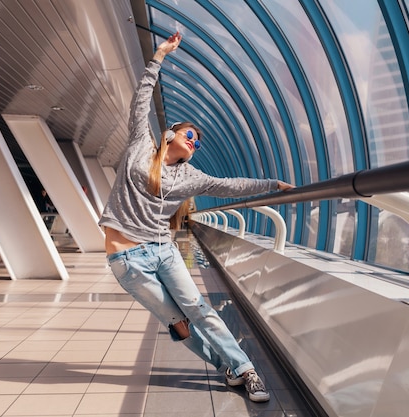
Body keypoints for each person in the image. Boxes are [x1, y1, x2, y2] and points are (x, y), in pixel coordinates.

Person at [99, 31, 294, 403]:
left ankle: (246, 370)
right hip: (125, 260)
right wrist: (159, 56)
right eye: (190, 135)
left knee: (199, 310)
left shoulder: (192, 177)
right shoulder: (141, 144)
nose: (194, 142)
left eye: (198, 143)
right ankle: (228, 370)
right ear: (171, 133)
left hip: (163, 250)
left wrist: (271, 183)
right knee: (178, 323)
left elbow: (228, 186)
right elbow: (140, 102)